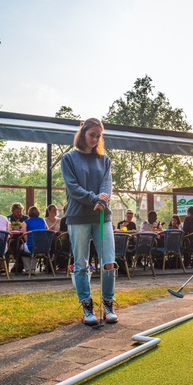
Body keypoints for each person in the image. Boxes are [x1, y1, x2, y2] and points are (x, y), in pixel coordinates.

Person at [61, 117, 117, 326]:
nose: (95, 139)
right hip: (78, 217)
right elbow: (73, 188)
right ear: (83, 133)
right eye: (92, 134)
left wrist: (102, 201)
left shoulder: (104, 160)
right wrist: (95, 198)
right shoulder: (68, 158)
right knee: (81, 264)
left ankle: (108, 303)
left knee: (108, 262)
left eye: (98, 136)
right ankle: (86, 306)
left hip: (102, 216)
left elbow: (107, 184)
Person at [20, 206, 48, 271]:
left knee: (22, 247)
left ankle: (28, 269)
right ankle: (33, 268)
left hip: (32, 246)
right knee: (36, 247)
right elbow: (47, 230)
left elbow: (25, 237)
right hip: (44, 246)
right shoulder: (42, 220)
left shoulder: (25, 222)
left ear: (29, 213)